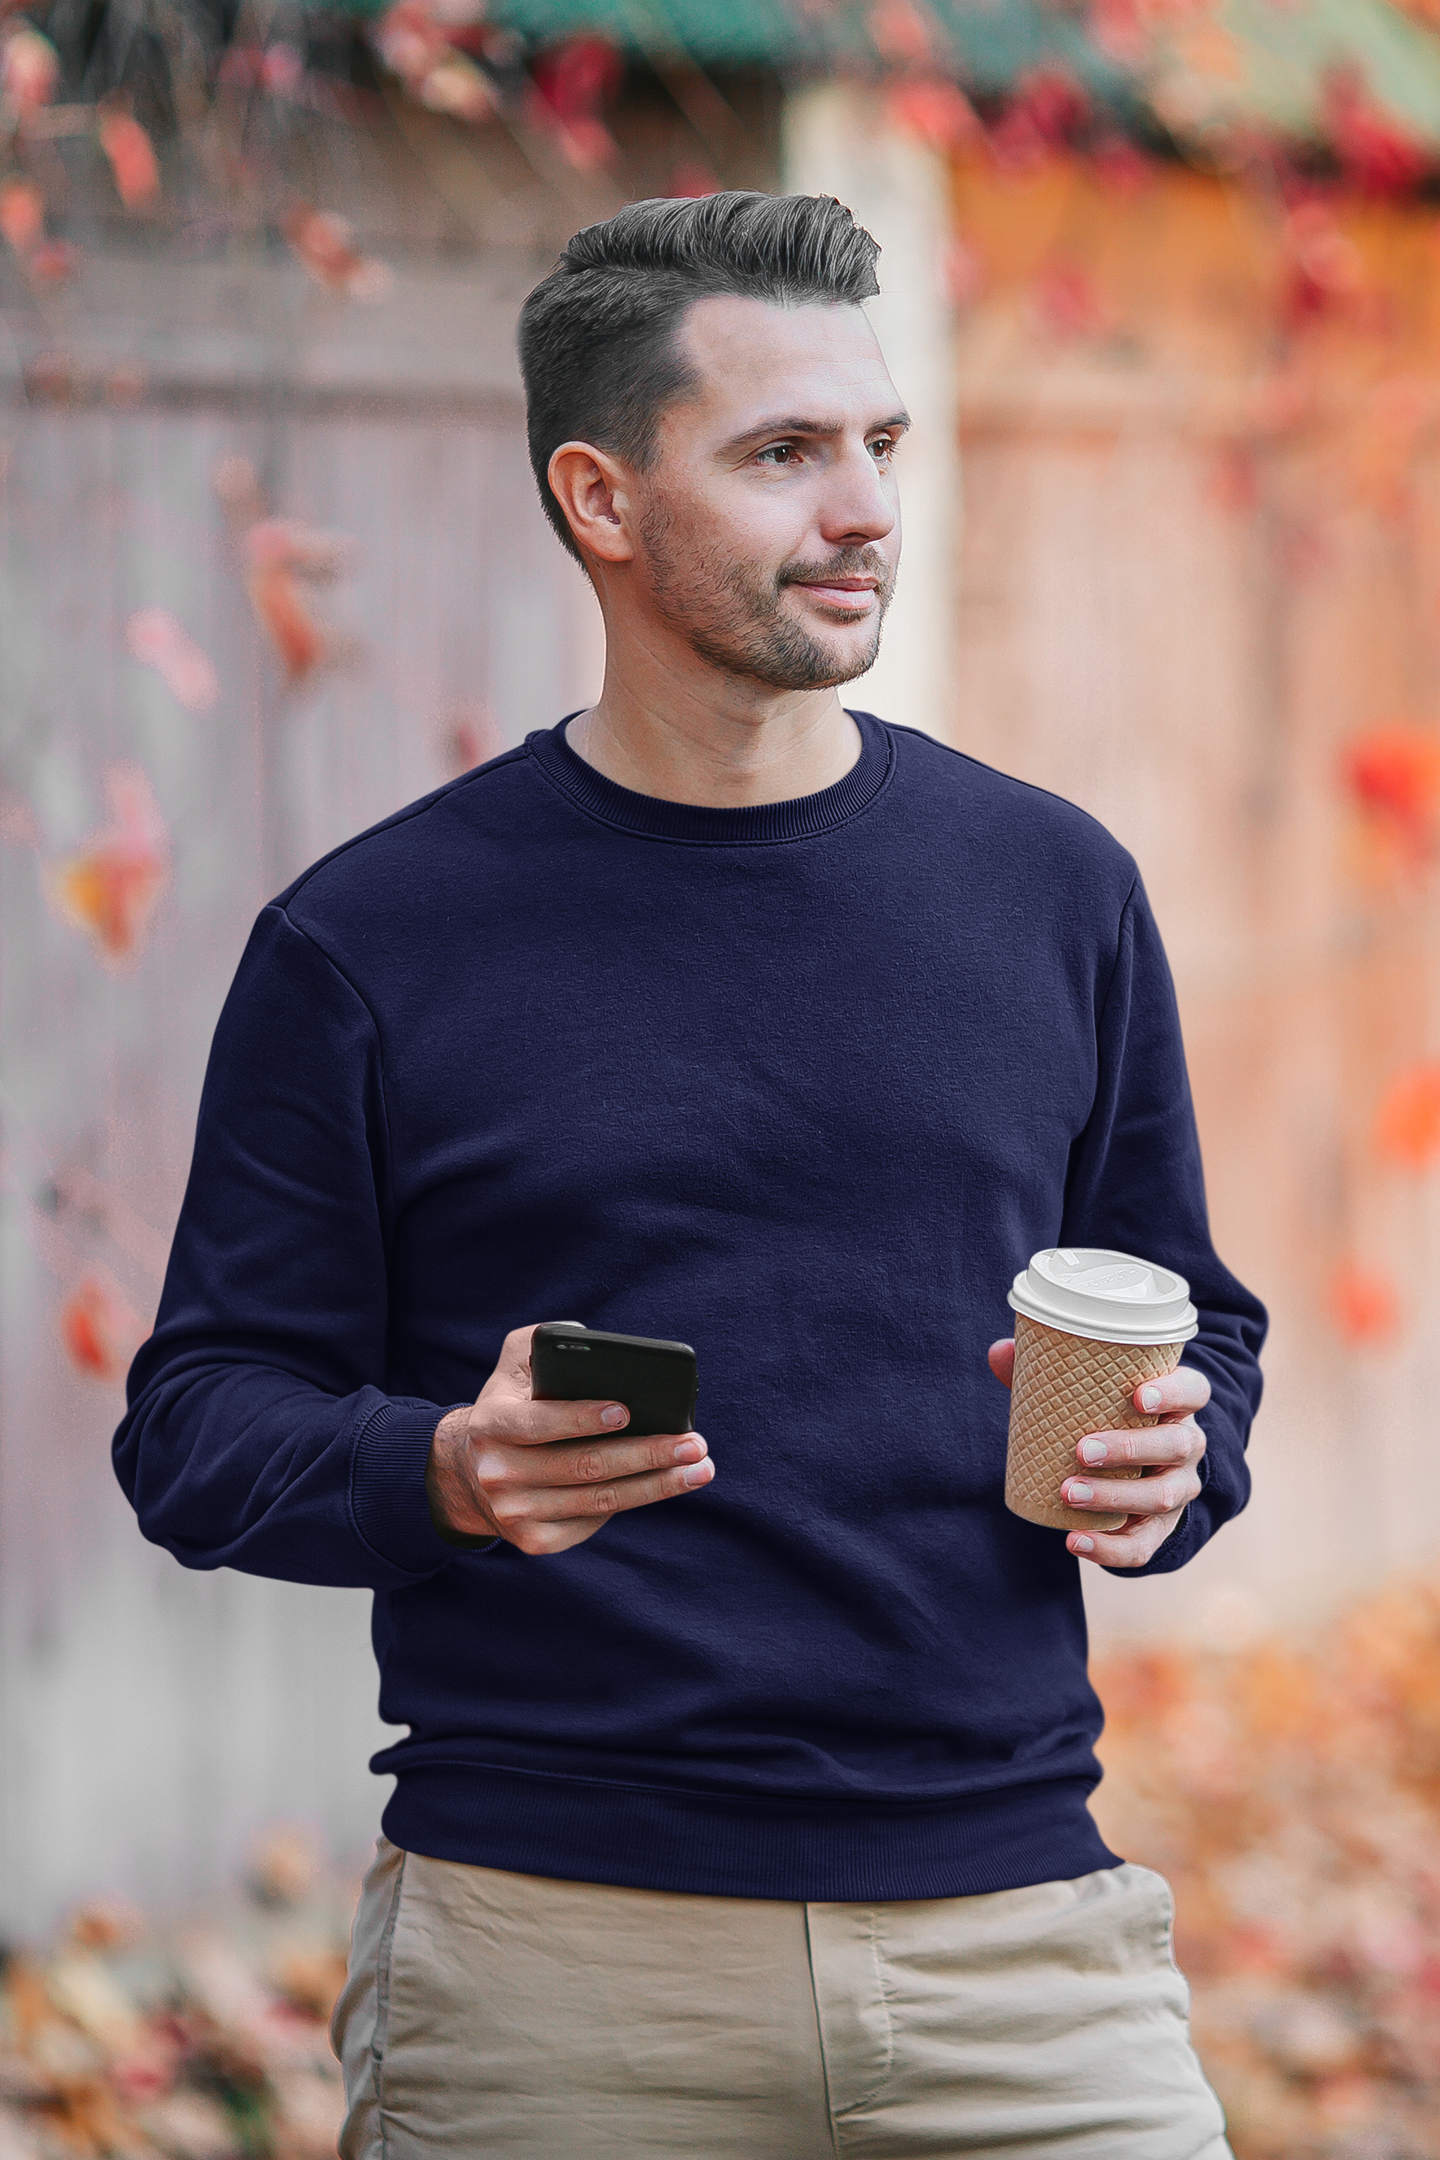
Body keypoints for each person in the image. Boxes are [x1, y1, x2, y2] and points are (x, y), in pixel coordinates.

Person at [115, 190, 1265, 2157]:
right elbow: (199, 1426)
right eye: (782, 453)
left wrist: (1184, 1448)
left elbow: (1195, 1312)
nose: (866, 505)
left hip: (1021, 1951)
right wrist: (439, 1472)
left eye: (880, 444)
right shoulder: (371, 943)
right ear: (604, 496)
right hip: (558, 1977)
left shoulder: (1052, 890)